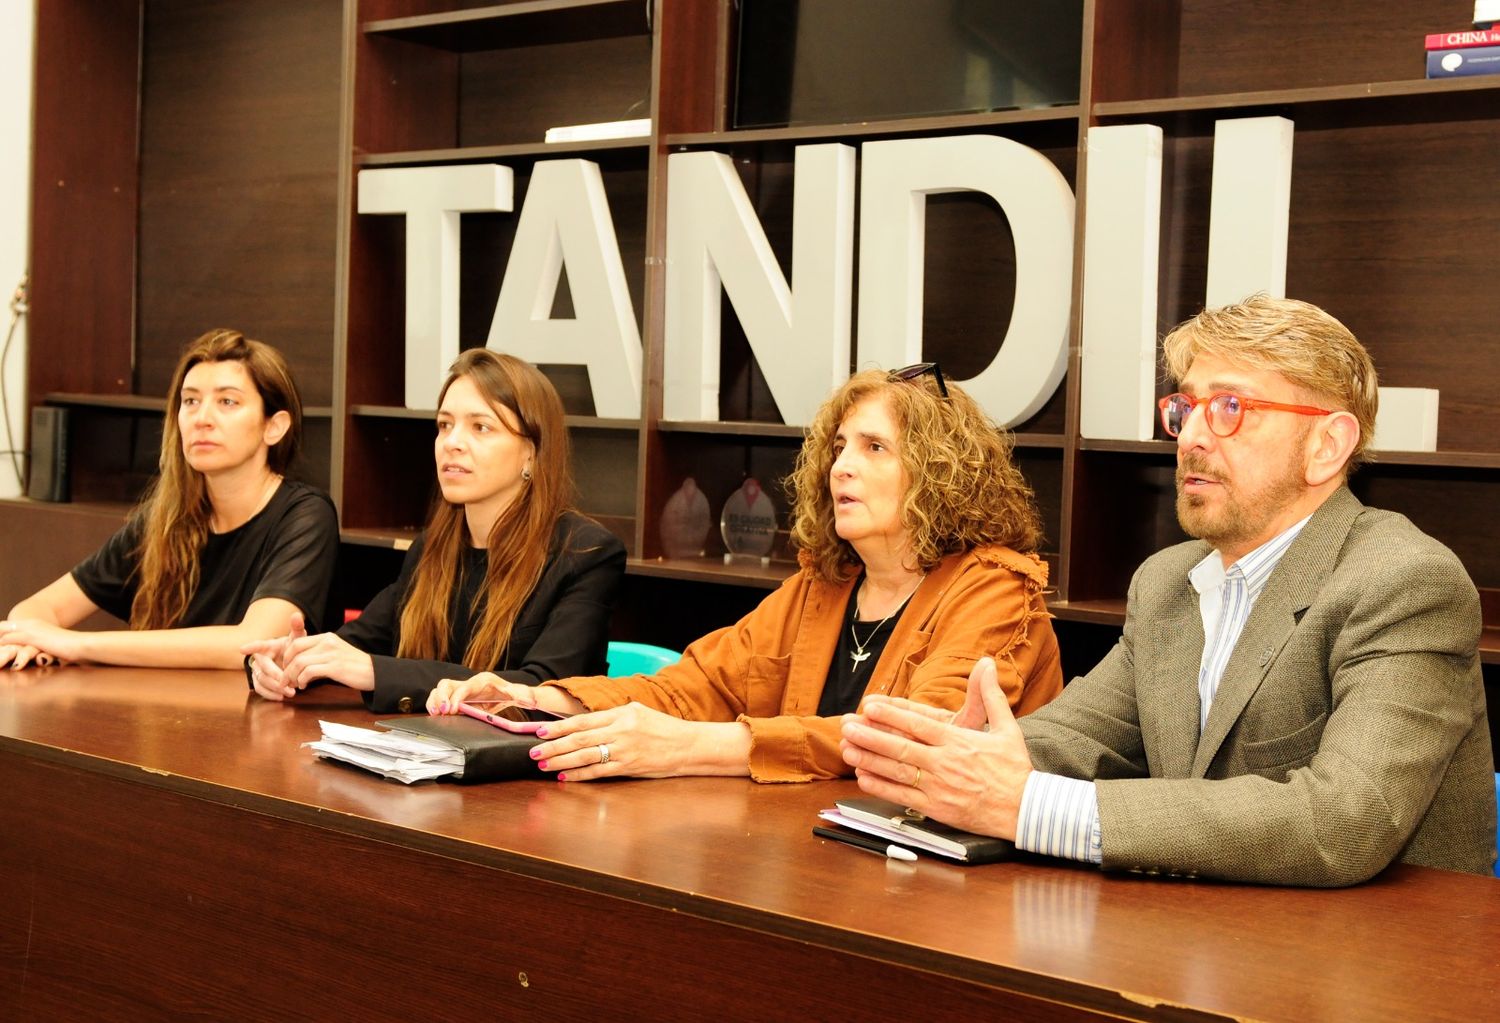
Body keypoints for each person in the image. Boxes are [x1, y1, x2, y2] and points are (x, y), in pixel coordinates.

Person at [841, 296, 1496, 885]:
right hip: (1203, 940)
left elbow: (1344, 818)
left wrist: (1028, 804)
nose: (1193, 435)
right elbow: (1082, 735)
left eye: (1231, 407)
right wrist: (961, 753)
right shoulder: (1168, 582)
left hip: (1379, 973)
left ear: (1327, 445)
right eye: (1185, 408)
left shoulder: (1404, 581)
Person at [430, 364, 1064, 782]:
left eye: (874, 448)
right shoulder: (823, 586)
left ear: (942, 472)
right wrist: (540, 701)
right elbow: (695, 687)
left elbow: (918, 742)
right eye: (838, 447)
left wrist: (691, 748)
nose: (840, 467)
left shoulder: (995, 586)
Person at [244, 349, 626, 713]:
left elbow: (544, 688)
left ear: (532, 451)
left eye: (481, 427)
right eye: (445, 425)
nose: (452, 443)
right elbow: (352, 648)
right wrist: (284, 663)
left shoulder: (587, 555)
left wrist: (374, 671)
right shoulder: (433, 548)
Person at [0, 328, 338, 670]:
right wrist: (30, 637)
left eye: (227, 402)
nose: (202, 419)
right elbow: (36, 609)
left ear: (274, 427)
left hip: (255, 718)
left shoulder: (305, 515)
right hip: (160, 713)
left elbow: (252, 644)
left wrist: (72, 643)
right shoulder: (167, 516)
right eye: (190, 401)